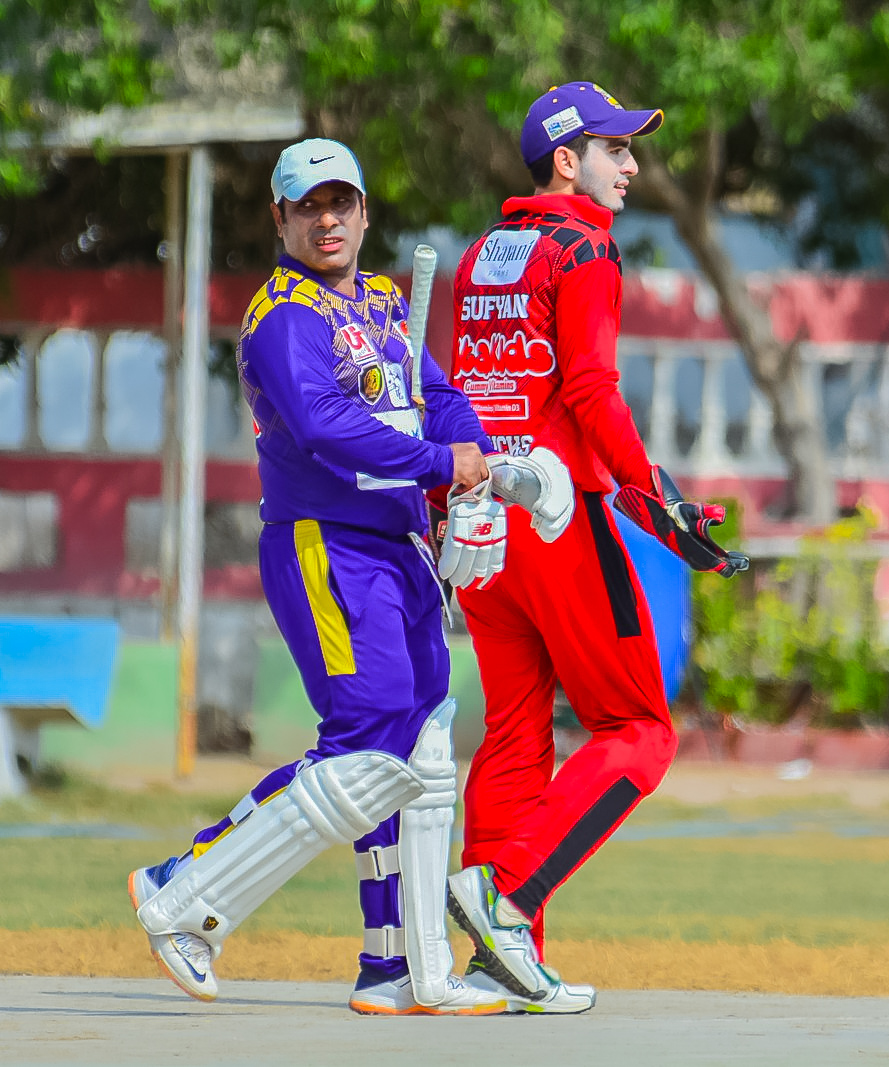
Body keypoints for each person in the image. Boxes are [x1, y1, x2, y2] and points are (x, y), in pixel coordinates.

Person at [125, 138, 565, 1017]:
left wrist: (476, 457)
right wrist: (441, 462)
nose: (327, 220)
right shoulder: (283, 316)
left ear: (364, 212)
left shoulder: (382, 300)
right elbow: (325, 426)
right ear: (280, 217)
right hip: (328, 546)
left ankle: (402, 967)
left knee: (421, 751)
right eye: (309, 206)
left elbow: (437, 395)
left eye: (341, 203)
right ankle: (184, 892)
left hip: (399, 548)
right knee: (368, 746)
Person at [443, 83, 749, 1014]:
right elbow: (589, 388)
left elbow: (462, 389)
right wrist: (657, 499)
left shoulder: (482, 253)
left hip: (482, 523)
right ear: (567, 161)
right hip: (555, 518)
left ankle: (501, 959)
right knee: (641, 731)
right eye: (617, 149)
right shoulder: (584, 247)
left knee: (514, 732)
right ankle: (507, 896)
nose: (633, 165)